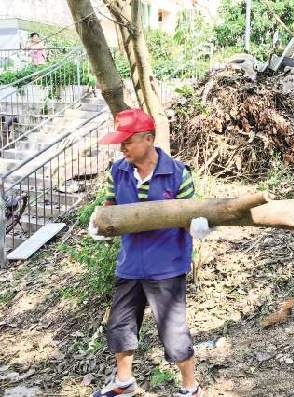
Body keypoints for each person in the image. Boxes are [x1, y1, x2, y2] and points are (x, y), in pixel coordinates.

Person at [88, 109, 210, 397]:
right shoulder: (117, 172)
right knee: (120, 325)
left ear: (149, 139)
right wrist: (99, 224)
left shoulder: (178, 174)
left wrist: (199, 226)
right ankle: (124, 383)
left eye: (128, 141)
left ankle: (190, 387)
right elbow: (109, 208)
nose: (122, 148)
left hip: (166, 266)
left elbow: (191, 214)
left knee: (173, 332)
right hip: (130, 264)